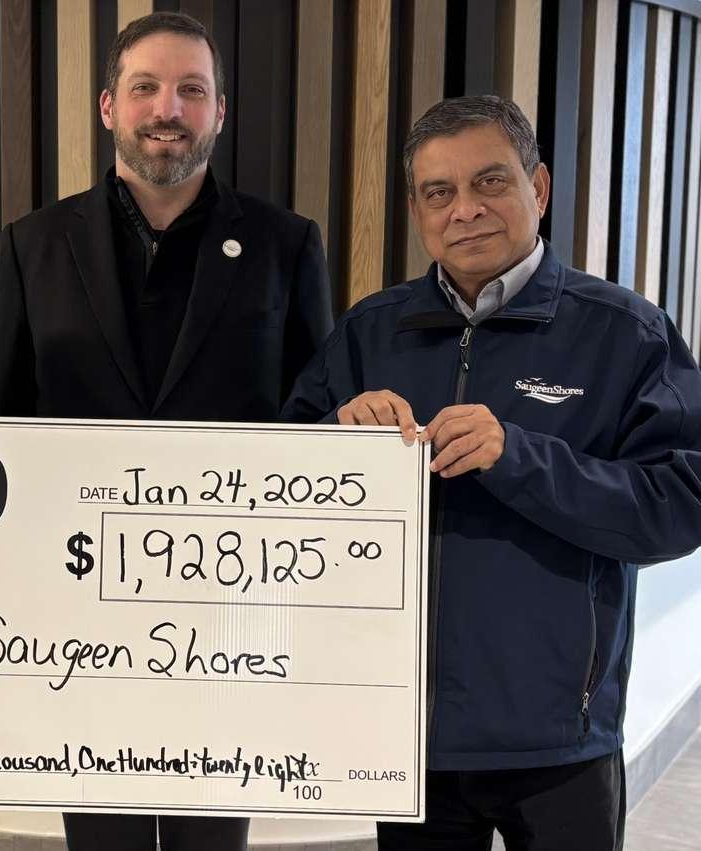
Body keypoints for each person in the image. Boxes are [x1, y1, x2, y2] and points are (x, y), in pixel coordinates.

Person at [283, 95, 701, 850]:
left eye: (491, 183)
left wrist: (519, 455)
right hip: (408, 737)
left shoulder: (625, 333)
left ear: (537, 188)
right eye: (439, 193)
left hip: (559, 742)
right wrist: (334, 440)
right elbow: (276, 487)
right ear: (417, 211)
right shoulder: (369, 333)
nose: (465, 210)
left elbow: (679, 507)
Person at [0, 11, 332, 850]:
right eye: (145, 87)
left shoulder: (288, 247)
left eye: (190, 90)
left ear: (220, 111)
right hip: (78, 615)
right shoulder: (32, 245)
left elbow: (319, 426)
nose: (166, 108)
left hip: (231, 616)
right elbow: (8, 425)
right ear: (109, 106)